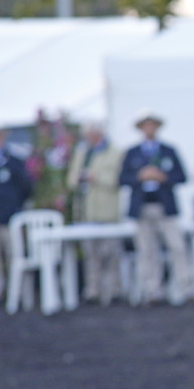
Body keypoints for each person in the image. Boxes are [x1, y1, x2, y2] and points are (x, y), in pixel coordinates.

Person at [119, 113, 193, 306]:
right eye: (146, 125)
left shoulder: (169, 150)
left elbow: (182, 176)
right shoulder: (132, 152)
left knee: (177, 247)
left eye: (152, 125)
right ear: (141, 128)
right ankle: (153, 291)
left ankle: (186, 289)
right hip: (142, 207)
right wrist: (140, 176)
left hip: (164, 207)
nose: (149, 129)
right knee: (147, 251)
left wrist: (164, 177)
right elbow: (122, 179)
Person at [66, 123, 124, 306]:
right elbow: (71, 179)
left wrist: (95, 177)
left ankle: (114, 290)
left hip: (107, 212)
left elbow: (118, 180)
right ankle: (93, 290)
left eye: (92, 134)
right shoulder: (82, 153)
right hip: (85, 212)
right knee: (90, 254)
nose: (89, 137)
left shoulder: (115, 152)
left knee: (111, 253)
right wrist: (79, 178)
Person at [0, 126, 33, 306]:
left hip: (9, 216)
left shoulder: (13, 161)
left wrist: (13, 205)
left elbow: (26, 187)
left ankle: (19, 291)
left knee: (15, 254)